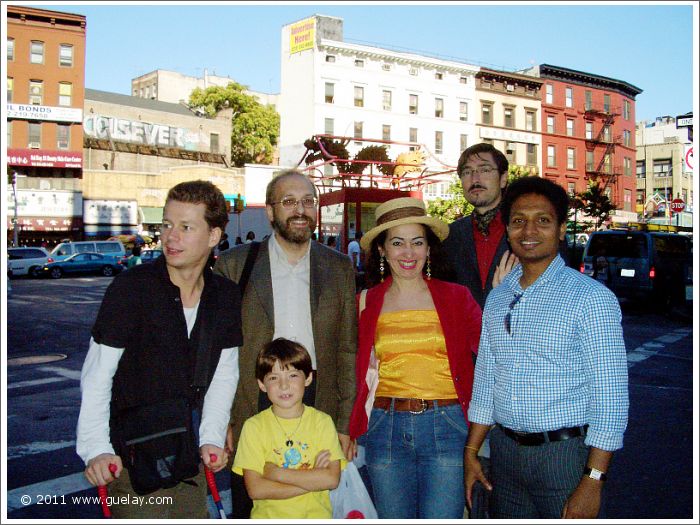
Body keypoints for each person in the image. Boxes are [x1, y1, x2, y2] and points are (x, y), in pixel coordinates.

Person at [465, 176, 629, 519]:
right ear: (507, 229)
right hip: (505, 454)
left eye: (543, 220)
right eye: (518, 221)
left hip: (565, 457)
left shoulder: (590, 298)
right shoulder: (498, 298)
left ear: (560, 229)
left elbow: (610, 397)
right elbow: (487, 377)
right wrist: (472, 449)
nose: (529, 230)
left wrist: (593, 480)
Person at [76, 180, 243, 519]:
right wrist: (95, 450)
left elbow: (224, 374)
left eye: (185, 227)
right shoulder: (131, 290)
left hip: (188, 456)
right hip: (132, 460)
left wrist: (211, 437)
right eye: (166, 225)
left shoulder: (224, 297)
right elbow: (97, 375)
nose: (170, 236)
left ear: (213, 236)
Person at [214, 169, 357, 518]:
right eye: (289, 201)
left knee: (315, 500)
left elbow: (346, 350)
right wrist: (226, 420)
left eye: (309, 201)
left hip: (316, 400)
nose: (300, 210)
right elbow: (221, 354)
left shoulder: (338, 268)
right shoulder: (235, 266)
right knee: (253, 503)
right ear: (269, 211)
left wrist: (343, 424)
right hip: (255, 400)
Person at [347, 197, 482, 519]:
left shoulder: (456, 297)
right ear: (382, 250)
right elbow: (349, 372)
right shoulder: (365, 302)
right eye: (397, 243)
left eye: (417, 242)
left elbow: (495, 353)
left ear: (428, 248)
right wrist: (347, 429)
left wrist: (508, 300)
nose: (408, 253)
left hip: (447, 424)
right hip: (384, 427)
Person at [233, 338, 345, 518]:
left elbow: (331, 480)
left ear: (308, 378)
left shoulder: (322, 422)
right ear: (262, 384)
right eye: (273, 378)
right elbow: (256, 490)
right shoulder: (253, 427)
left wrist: (277, 473)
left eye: (292, 375)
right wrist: (312, 478)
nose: (283, 385)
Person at [443, 142, 518, 308]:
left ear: (503, 178)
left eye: (484, 170)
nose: (475, 179)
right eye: (467, 172)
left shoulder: (526, 231)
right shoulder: (450, 235)